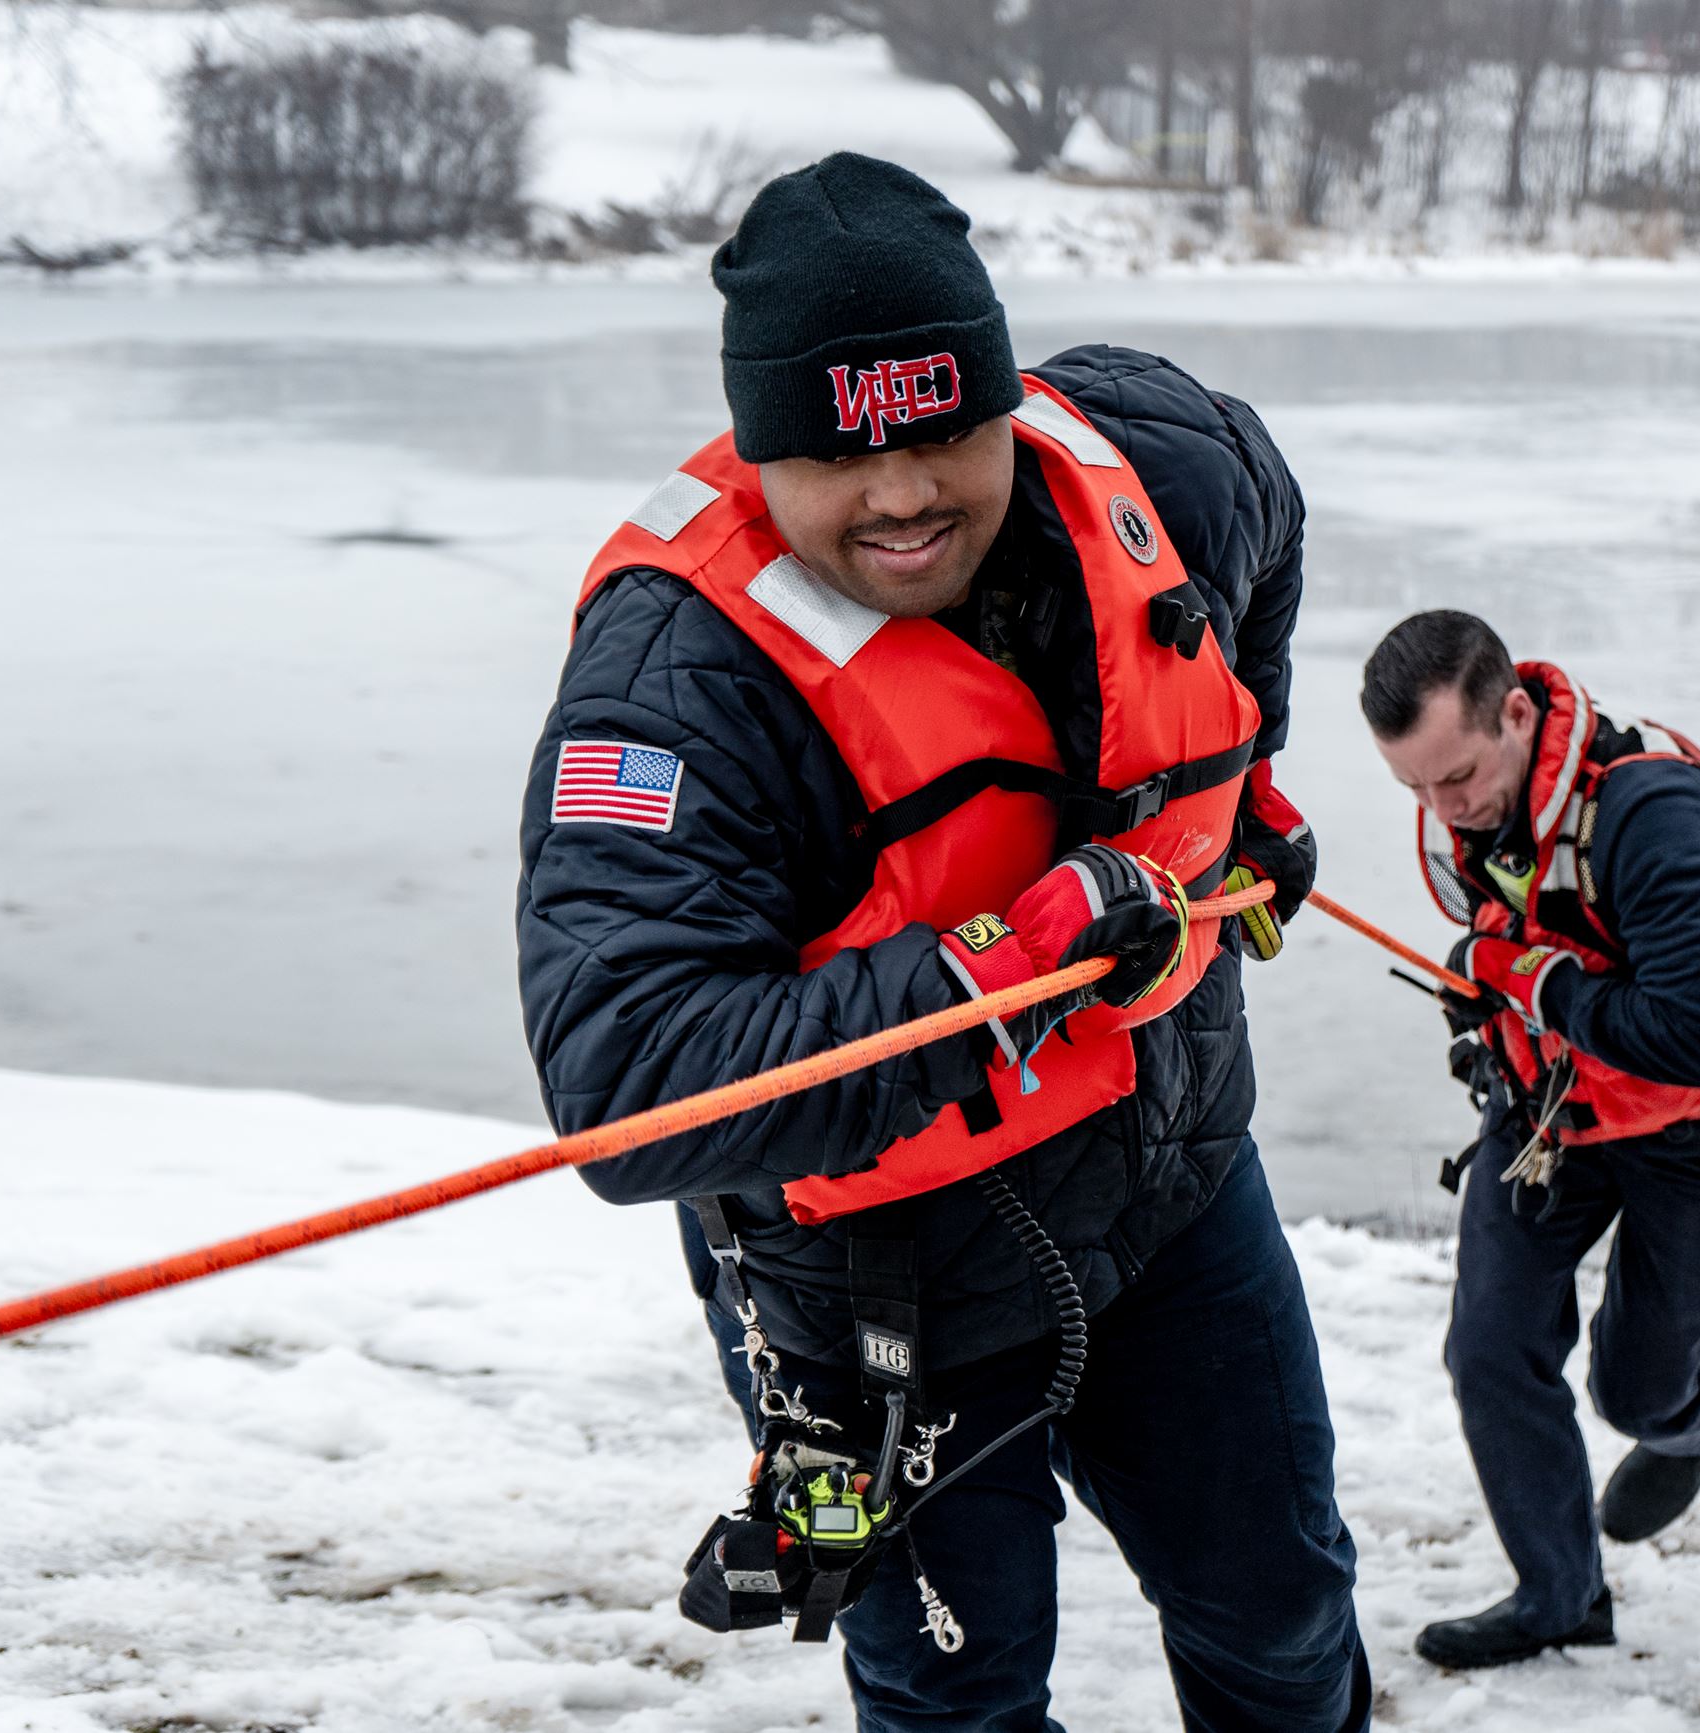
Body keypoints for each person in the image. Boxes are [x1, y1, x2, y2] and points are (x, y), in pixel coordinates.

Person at [517, 152, 1364, 1731]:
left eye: (942, 427)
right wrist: (1008, 965)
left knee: (1285, 1615)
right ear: (760, 451)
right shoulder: (671, 686)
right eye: (840, 455)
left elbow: (1268, 538)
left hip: (1171, 1179)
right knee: (958, 1704)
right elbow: (627, 1080)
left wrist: (1242, 791)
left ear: (1002, 397)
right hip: (875, 1294)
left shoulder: (1169, 462)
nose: (904, 491)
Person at [1360, 611, 1700, 1670]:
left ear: (1515, 710)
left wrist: (1534, 981)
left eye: (1459, 776)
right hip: (1551, 1106)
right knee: (1488, 1346)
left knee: (1633, 1386)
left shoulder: (1653, 817)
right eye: (1415, 789)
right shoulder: (1469, 804)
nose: (1445, 811)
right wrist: (1489, 1005)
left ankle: (1694, 1408)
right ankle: (1560, 1595)